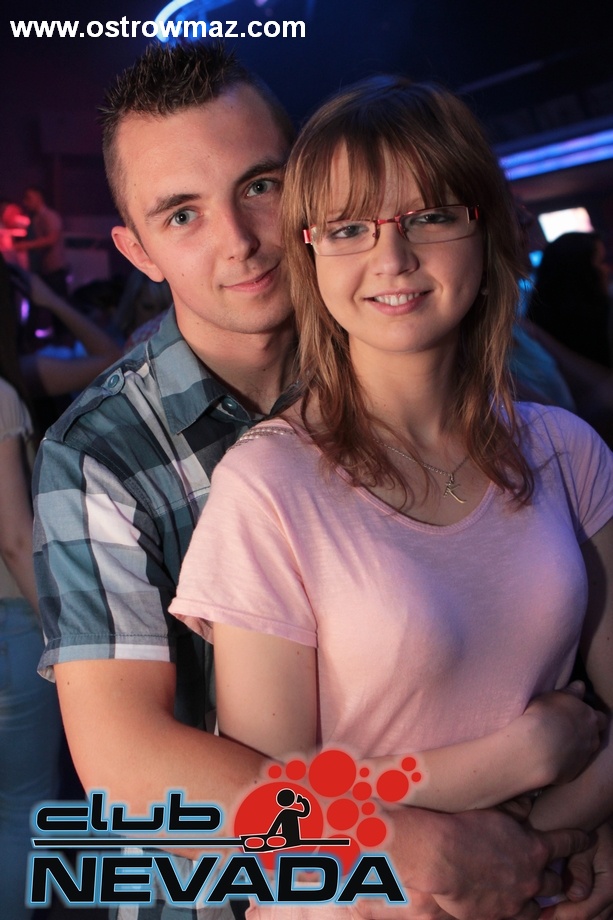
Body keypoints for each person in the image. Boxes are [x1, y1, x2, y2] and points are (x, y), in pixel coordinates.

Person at [33, 42, 604, 920]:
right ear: (137, 250)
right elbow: (129, 765)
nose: (238, 240)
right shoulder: (101, 452)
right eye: (182, 214)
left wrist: (580, 828)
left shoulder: (424, 353)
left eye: (259, 185)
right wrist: (409, 840)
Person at [0, 254, 62, 920]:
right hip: (10, 624)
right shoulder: (0, 395)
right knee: (21, 810)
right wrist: (61, 640)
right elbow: (16, 538)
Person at [529, 231, 612, 368]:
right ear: (582, 273)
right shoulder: (599, 321)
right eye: (602, 262)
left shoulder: (537, 320)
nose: (607, 269)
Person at [16, 185, 69, 296]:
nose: (25, 202)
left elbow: (52, 239)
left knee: (58, 302)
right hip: (43, 270)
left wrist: (26, 245)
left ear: (39, 197)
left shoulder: (50, 216)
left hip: (55, 271)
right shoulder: (35, 218)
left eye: (28, 198)